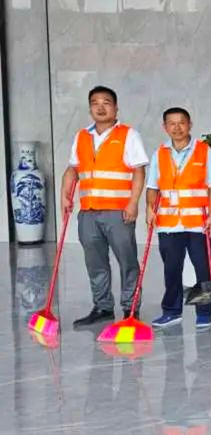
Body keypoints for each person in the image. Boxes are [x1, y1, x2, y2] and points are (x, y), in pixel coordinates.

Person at [60, 86, 149, 327]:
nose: (100, 107)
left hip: (118, 212)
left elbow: (139, 171)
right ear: (90, 108)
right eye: (95, 103)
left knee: (127, 261)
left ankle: (131, 309)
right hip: (88, 212)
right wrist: (64, 195)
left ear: (116, 108)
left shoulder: (129, 135)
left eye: (106, 102)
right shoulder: (81, 136)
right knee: (95, 262)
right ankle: (102, 307)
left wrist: (133, 203)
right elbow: (73, 169)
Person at [145, 107, 211, 330]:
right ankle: (171, 311)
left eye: (181, 123)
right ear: (165, 127)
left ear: (190, 125)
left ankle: (204, 314)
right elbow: (152, 186)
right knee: (171, 270)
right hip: (168, 224)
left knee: (203, 270)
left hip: (198, 223)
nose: (177, 127)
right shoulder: (160, 153)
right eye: (172, 123)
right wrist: (149, 207)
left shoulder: (204, 151)